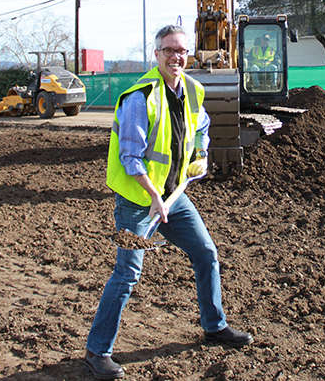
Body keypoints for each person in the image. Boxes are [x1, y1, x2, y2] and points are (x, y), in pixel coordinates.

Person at [84, 25, 253, 380]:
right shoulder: (140, 97)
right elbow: (131, 159)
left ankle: (214, 325)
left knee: (206, 254)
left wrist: (201, 155)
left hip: (174, 196)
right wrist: (153, 198)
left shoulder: (193, 90)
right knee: (127, 274)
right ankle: (97, 351)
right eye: (169, 50)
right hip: (138, 202)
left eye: (182, 51)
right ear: (156, 54)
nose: (176, 57)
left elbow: (202, 126)